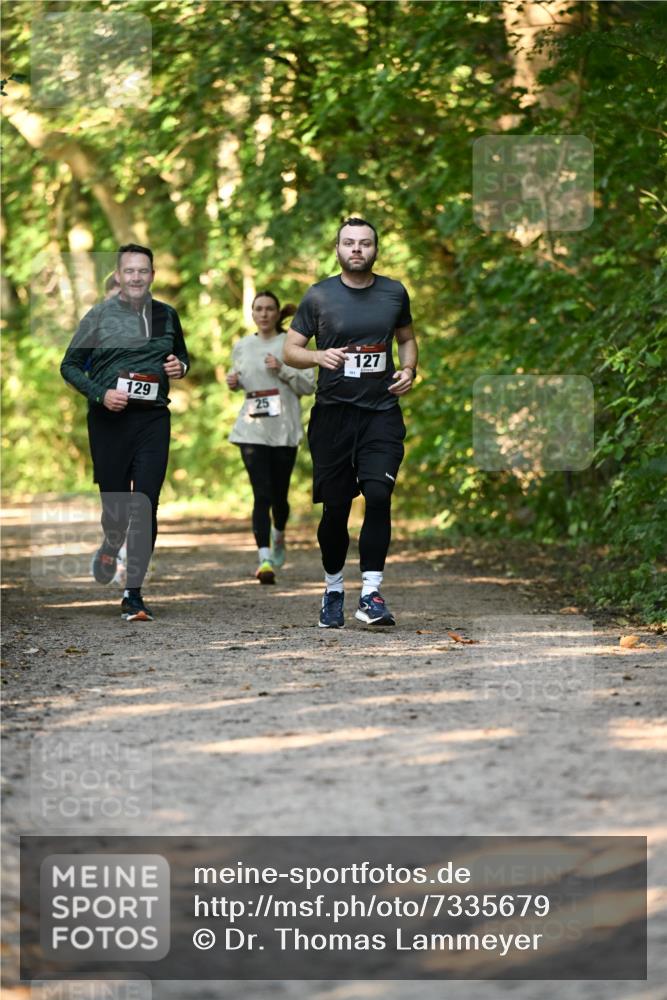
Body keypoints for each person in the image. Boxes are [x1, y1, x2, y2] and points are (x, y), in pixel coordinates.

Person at [283, 217, 418, 628]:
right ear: (337, 248)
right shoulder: (319, 296)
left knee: (379, 494)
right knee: (336, 511)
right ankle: (333, 588)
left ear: (376, 250)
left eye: (364, 243)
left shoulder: (394, 293)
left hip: (381, 413)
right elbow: (291, 350)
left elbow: (406, 339)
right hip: (333, 417)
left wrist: (409, 370)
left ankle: (371, 594)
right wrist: (318, 357)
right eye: (349, 243)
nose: (356, 249)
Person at [60, 243, 189, 621]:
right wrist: (101, 394)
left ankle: (133, 592)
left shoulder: (167, 315)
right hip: (109, 421)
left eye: (143, 271)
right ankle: (111, 539)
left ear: (152, 274)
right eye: (129, 271)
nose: (136, 277)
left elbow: (181, 356)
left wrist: (179, 366)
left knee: (145, 504)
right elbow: (68, 366)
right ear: (118, 275)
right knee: (116, 510)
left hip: (152, 419)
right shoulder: (98, 315)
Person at [227, 291, 315, 583]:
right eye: (258, 309)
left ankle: (278, 536)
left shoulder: (292, 343)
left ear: (278, 314)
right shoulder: (242, 345)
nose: (263, 314)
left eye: (269, 309)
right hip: (251, 430)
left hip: (283, 430)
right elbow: (240, 378)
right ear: (252, 314)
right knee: (261, 494)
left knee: (279, 497)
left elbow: (308, 387)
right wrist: (233, 382)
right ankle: (264, 559)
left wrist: (283, 370)